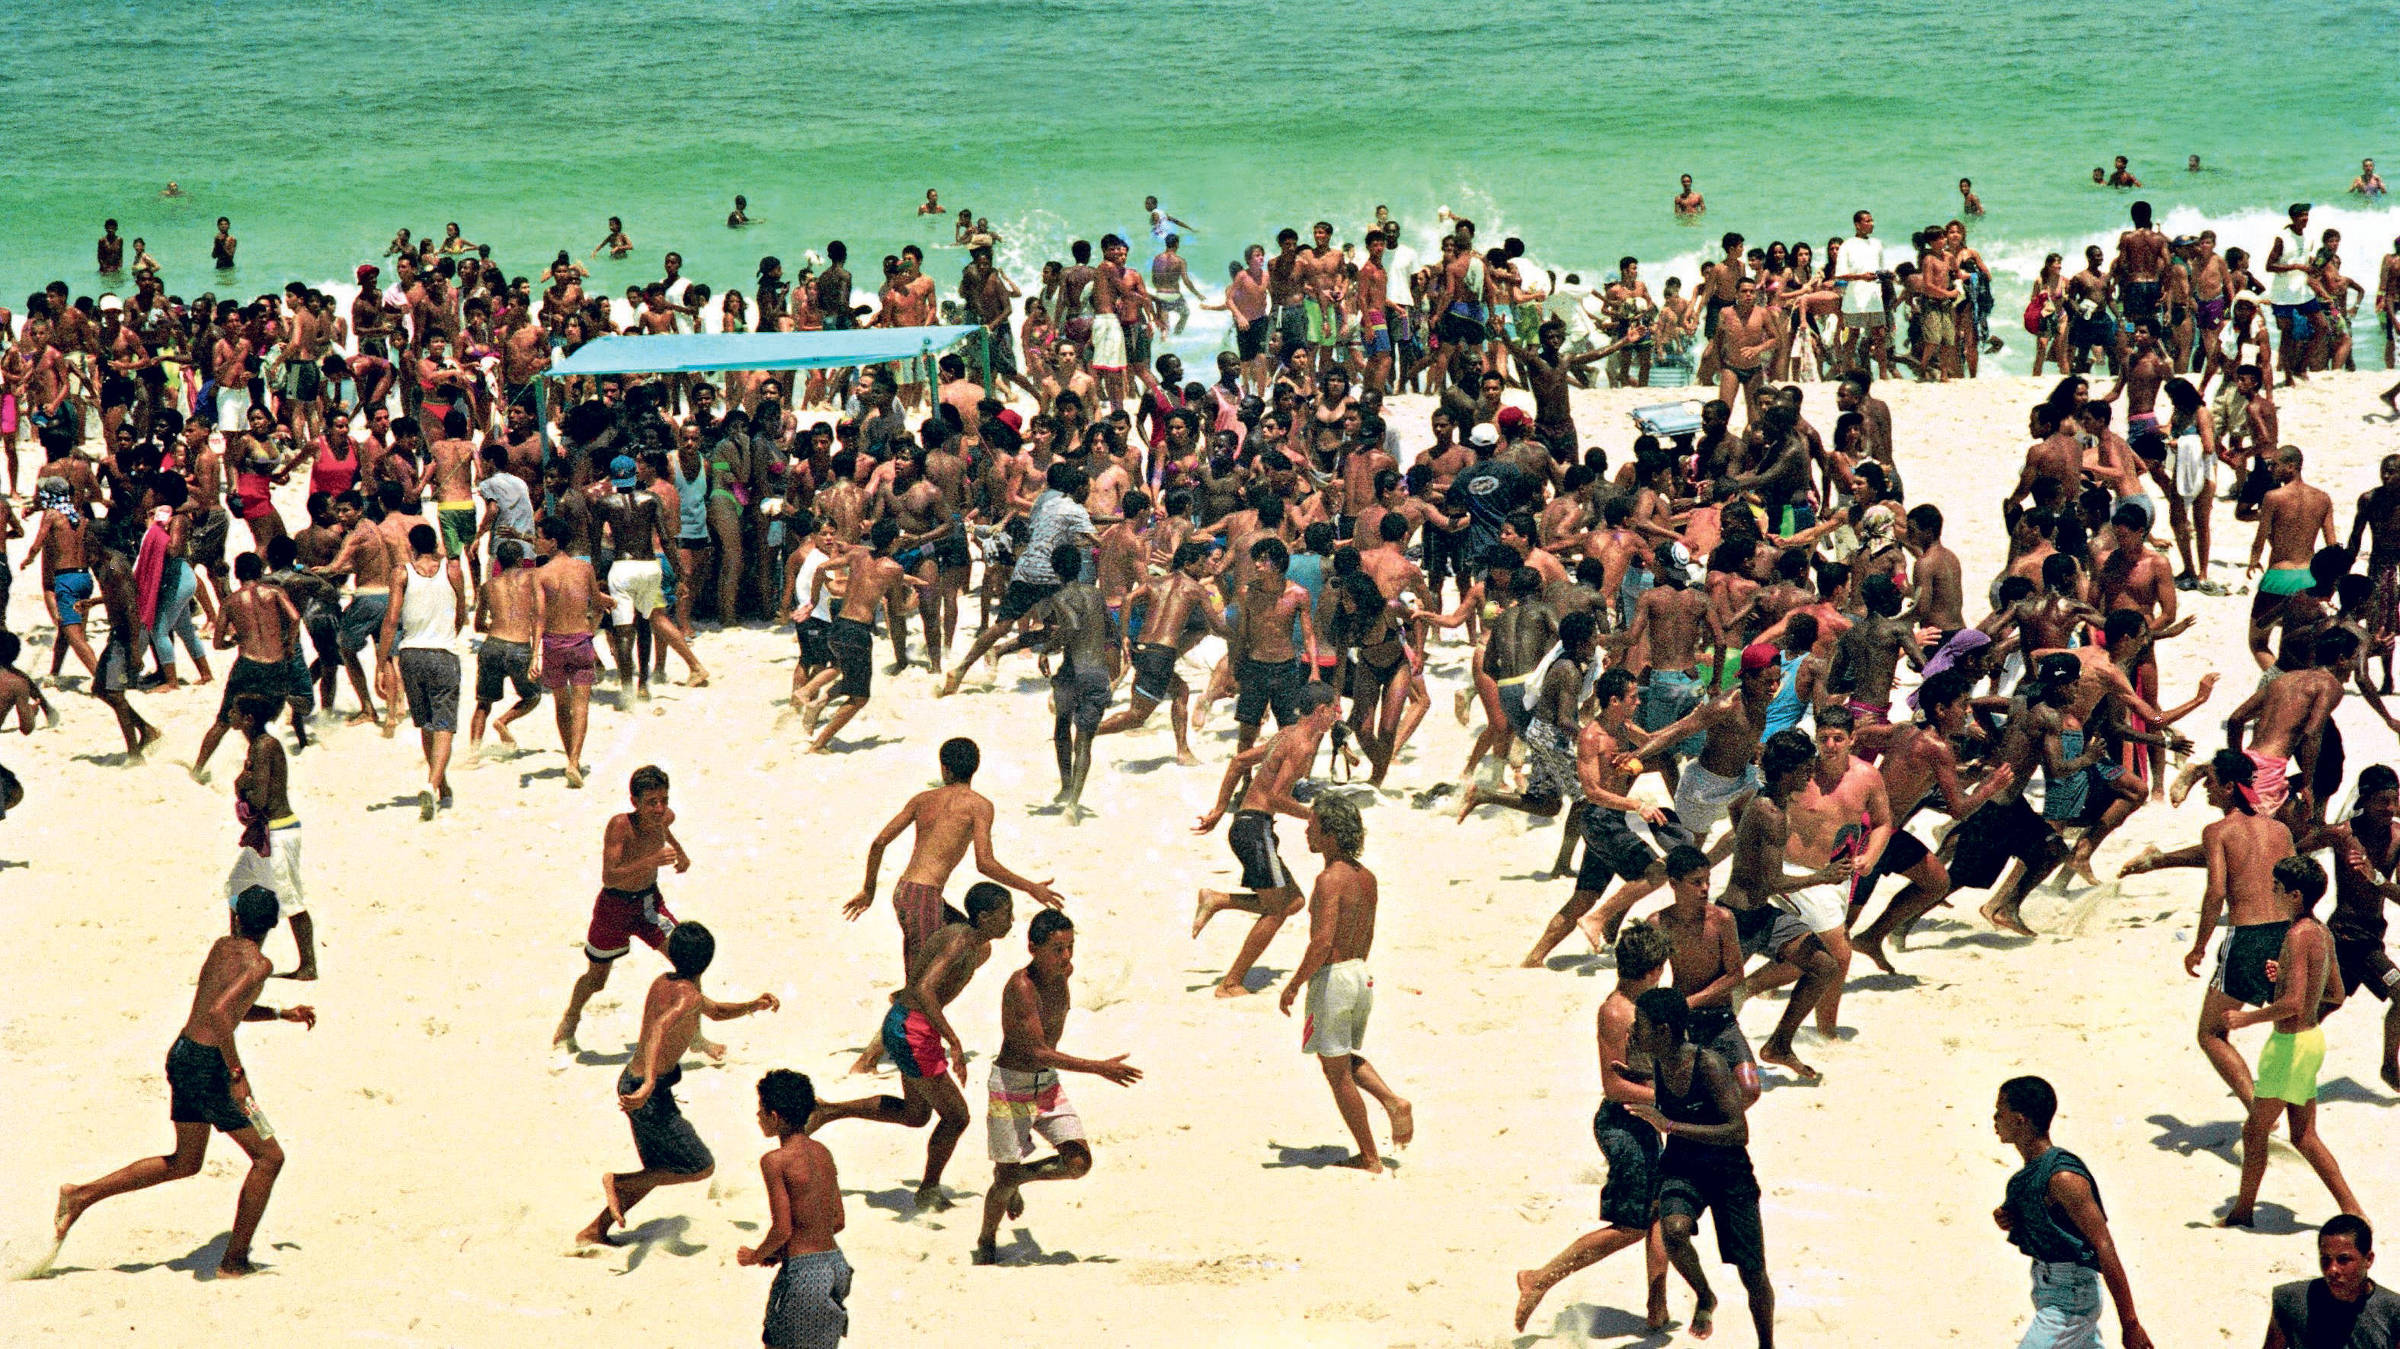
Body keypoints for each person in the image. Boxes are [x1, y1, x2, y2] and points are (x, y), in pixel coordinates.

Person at [51, 887, 316, 1278]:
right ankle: (234, 1262)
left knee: (186, 1161)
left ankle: (80, 1195)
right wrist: (236, 1073)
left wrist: (280, 1013)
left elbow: (222, 1005)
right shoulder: (259, 965)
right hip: (210, 1067)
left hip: (184, 1053)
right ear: (274, 925)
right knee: (269, 1158)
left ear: (237, 918)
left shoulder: (222, 946)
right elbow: (223, 1013)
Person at [1514, 921, 1680, 1333]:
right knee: (1631, 1226)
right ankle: (1541, 1278)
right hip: (1623, 1128)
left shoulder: (1647, 1005)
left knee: (1661, 1211)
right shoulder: (1616, 1011)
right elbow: (1613, 1085)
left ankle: (1657, 1306)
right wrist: (1665, 1097)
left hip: (1645, 1123)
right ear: (1654, 969)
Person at [809, 882, 1015, 1212]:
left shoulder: (971, 942)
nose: (1012, 921)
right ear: (985, 916)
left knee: (915, 1114)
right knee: (956, 1117)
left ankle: (826, 1111)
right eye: (1006, 914)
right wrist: (955, 1041)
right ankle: (929, 1191)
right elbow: (923, 990)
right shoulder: (961, 941)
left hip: (904, 1025)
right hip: (911, 1031)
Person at [575, 921, 779, 1246]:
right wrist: (649, 1085)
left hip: (632, 1081)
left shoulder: (665, 983)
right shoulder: (688, 998)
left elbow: (716, 1011)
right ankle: (618, 1182)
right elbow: (657, 1030)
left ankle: (594, 1230)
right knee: (699, 1166)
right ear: (707, 960)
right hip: (646, 1091)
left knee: (659, 1169)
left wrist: (752, 1005)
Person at [974, 908, 1142, 1264]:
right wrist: (1098, 1067)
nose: (1066, 957)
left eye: (1070, 947)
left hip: (1047, 1085)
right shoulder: (1021, 987)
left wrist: (1015, 1177)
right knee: (1002, 1184)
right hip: (1010, 1087)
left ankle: (1014, 1178)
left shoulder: (1062, 973)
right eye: (1057, 949)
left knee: (1078, 1163)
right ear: (1033, 948)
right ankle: (986, 1239)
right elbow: (1036, 1050)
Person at [1623, 988, 1773, 1347]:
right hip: (1684, 1167)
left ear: (1662, 1032)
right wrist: (1631, 1075)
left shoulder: (1709, 1064)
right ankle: (1705, 1296)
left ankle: (1766, 1343)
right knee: (1673, 1229)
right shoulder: (1658, 1060)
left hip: (1728, 1172)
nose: (1632, 1032)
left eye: (1639, 1026)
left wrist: (1670, 1126)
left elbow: (1738, 1131)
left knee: (1753, 1274)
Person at [2220, 854, 2363, 1228]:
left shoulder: (2297, 935)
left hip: (2289, 1046)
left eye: (2277, 888)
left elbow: (2292, 1004)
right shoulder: (2321, 932)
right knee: (2303, 1135)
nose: (2273, 893)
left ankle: (2242, 1211)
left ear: (2295, 895)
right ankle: (2353, 1210)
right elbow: (2336, 992)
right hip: (2310, 1041)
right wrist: (2285, 976)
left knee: (2254, 1131)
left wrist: (2246, 1017)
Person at [845, 737, 1063, 981]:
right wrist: (1030, 887)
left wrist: (869, 890)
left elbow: (879, 843)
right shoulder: (979, 806)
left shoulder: (922, 799)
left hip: (911, 893)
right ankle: (913, 1008)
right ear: (975, 768)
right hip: (923, 896)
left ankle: (930, 999)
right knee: (920, 984)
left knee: (978, 944)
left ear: (944, 769)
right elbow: (985, 863)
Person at [1278, 793, 1412, 1172]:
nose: (1307, 831)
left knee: (1334, 1071)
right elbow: (1366, 933)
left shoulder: (1328, 880)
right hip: (1359, 973)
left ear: (1331, 834)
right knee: (1341, 1058)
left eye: (1314, 827)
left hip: (1335, 976)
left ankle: (1370, 1155)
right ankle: (1389, 1100)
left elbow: (1321, 942)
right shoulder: (1365, 877)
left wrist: (1294, 984)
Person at [553, 766, 714, 1057]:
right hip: (613, 907)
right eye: (651, 802)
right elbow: (610, 876)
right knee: (596, 979)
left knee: (689, 959)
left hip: (649, 905)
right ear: (634, 802)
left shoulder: (664, 816)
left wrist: (681, 851)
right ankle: (569, 1022)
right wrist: (651, 859)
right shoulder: (619, 826)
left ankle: (695, 1035)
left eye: (663, 799)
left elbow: (664, 828)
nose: (659, 808)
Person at [1194, 682, 1341, 997]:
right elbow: (1276, 797)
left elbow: (1238, 762)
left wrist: (1221, 809)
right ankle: (1230, 982)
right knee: (1277, 910)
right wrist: (1311, 815)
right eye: (1334, 709)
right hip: (1255, 829)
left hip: (1248, 826)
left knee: (1294, 901)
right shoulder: (1300, 745)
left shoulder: (1285, 734)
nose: (1336, 715)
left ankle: (1217, 900)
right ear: (1321, 711)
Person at [1991, 1075, 2154, 1349]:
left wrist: (2130, 1325)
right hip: (2049, 1291)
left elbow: (2104, 1246)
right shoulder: (2033, 1174)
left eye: (2000, 1111)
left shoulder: (2063, 1178)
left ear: (2019, 1120)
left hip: (2071, 1298)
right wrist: (2011, 1219)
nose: (1994, 1119)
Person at [737, 1070, 852, 1349]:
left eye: (761, 1110)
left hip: (804, 1274)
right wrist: (782, 1250)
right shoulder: (822, 1152)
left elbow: (782, 1228)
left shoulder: (775, 1161)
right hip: (835, 1266)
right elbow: (837, 1220)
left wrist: (756, 1255)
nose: (757, 1116)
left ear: (774, 1117)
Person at [381, 522, 466, 820]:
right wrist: (447, 634)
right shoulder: (452, 570)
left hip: (410, 653)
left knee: (427, 722)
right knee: (444, 723)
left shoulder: (401, 572)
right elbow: (462, 613)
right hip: (443, 651)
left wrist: (381, 662)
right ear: (436, 545)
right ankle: (432, 783)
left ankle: (439, 783)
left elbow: (391, 620)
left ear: (411, 546)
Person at [2265, 1215, 2400, 1348]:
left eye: (2343, 1259)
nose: (2332, 1270)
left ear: (2368, 1259)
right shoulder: (2291, 1301)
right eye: (2326, 1259)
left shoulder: (2393, 1312)